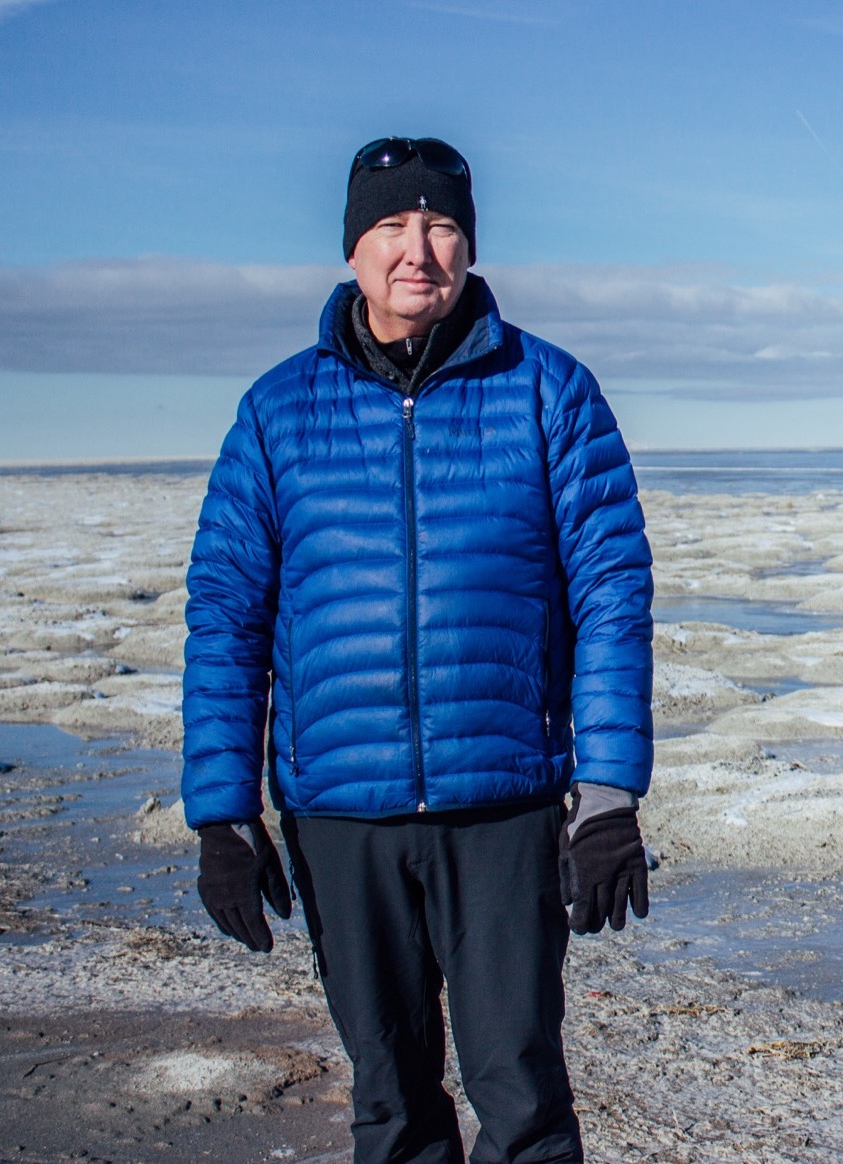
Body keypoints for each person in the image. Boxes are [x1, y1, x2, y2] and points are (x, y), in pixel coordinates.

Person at [182, 135, 654, 1164]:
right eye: (391, 225)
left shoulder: (548, 392)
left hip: (505, 808)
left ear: (469, 247)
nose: (417, 249)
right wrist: (223, 813)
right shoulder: (278, 412)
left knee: (520, 1092)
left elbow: (611, 596)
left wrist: (609, 796)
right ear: (352, 250)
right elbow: (227, 613)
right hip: (340, 814)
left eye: (440, 225)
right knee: (389, 1098)